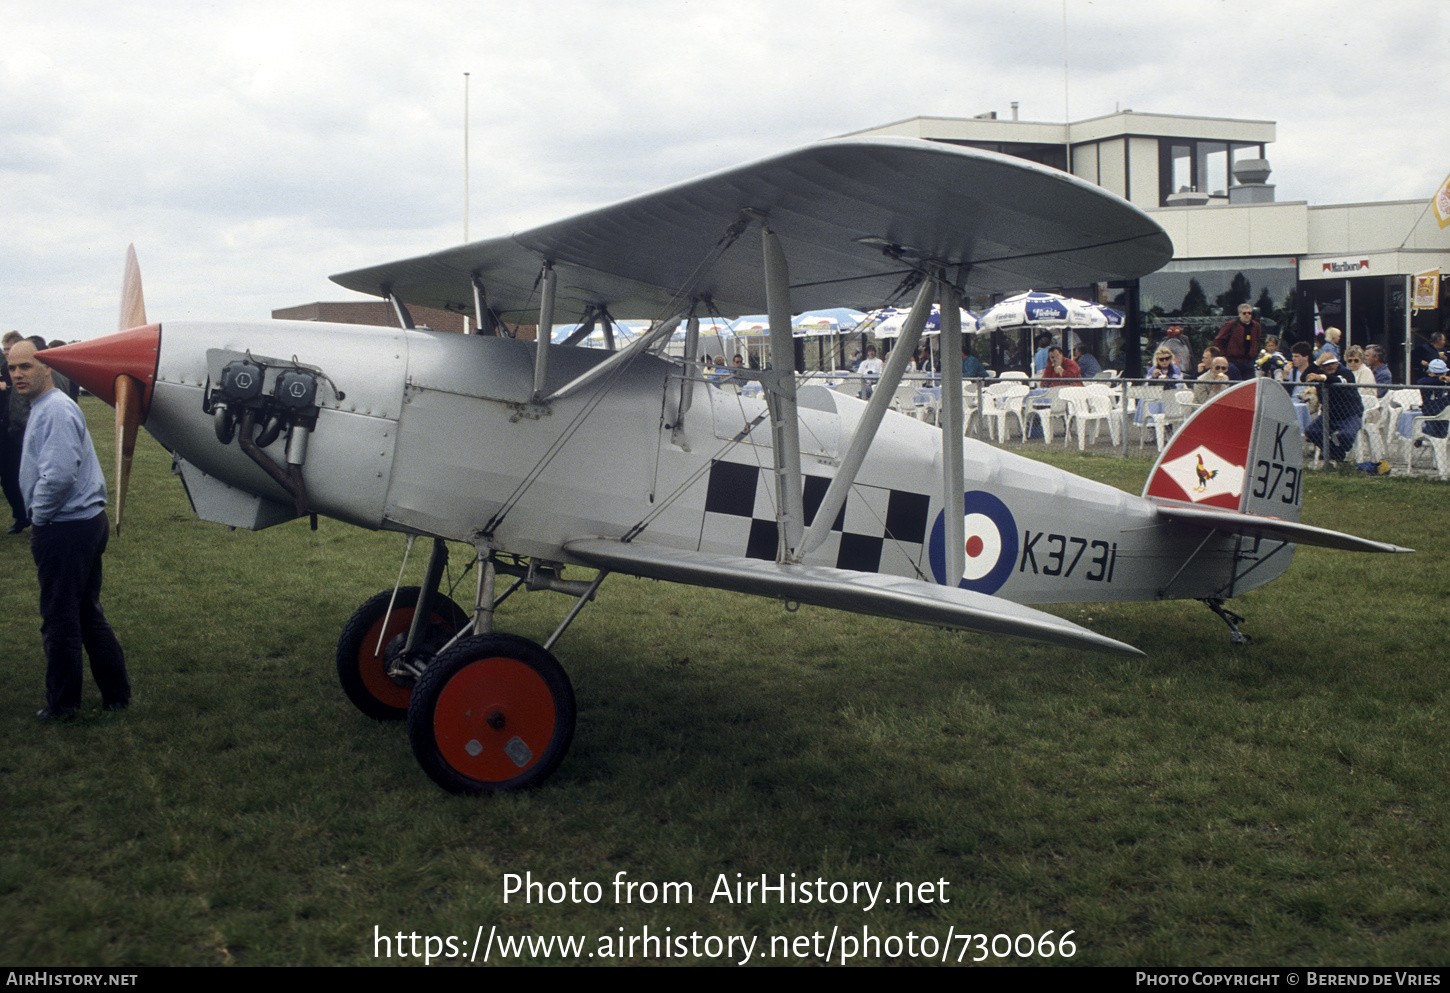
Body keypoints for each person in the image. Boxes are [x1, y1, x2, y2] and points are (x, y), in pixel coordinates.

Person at [6, 340, 130, 721]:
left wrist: (38, 517)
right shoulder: (45, 407)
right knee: (86, 612)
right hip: (82, 523)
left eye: (25, 367)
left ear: (46, 367)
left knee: (60, 619)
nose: (17, 375)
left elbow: (59, 474)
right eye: (12, 369)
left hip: (66, 527)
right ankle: (116, 695)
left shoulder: (55, 410)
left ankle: (63, 706)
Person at [1304, 351, 1362, 462]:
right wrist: (1317, 362)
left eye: (1332, 363)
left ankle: (1336, 453)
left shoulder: (1346, 373)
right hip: (1329, 415)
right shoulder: (1318, 372)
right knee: (1311, 431)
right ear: (1321, 367)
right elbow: (1304, 377)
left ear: (1337, 363)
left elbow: (1341, 380)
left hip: (1350, 415)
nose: (1330, 366)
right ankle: (1336, 454)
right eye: (1326, 364)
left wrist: (1322, 377)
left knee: (1346, 435)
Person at [1214, 303, 1262, 380]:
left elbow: (1258, 340)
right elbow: (1218, 340)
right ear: (1239, 314)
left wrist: (1254, 353)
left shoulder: (1256, 326)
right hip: (1233, 361)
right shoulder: (1231, 325)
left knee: (1250, 385)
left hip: (1249, 362)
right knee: (1234, 385)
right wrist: (1223, 355)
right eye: (1244, 313)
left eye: (1249, 313)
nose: (1247, 315)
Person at [1416, 359, 1450, 439]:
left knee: (1444, 432)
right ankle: (1420, 437)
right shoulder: (1425, 381)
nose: (1441, 376)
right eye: (1436, 374)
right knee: (1432, 431)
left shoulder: (1447, 382)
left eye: (1441, 374)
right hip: (1431, 413)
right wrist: (1438, 379)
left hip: (1446, 414)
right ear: (1429, 373)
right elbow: (1420, 382)